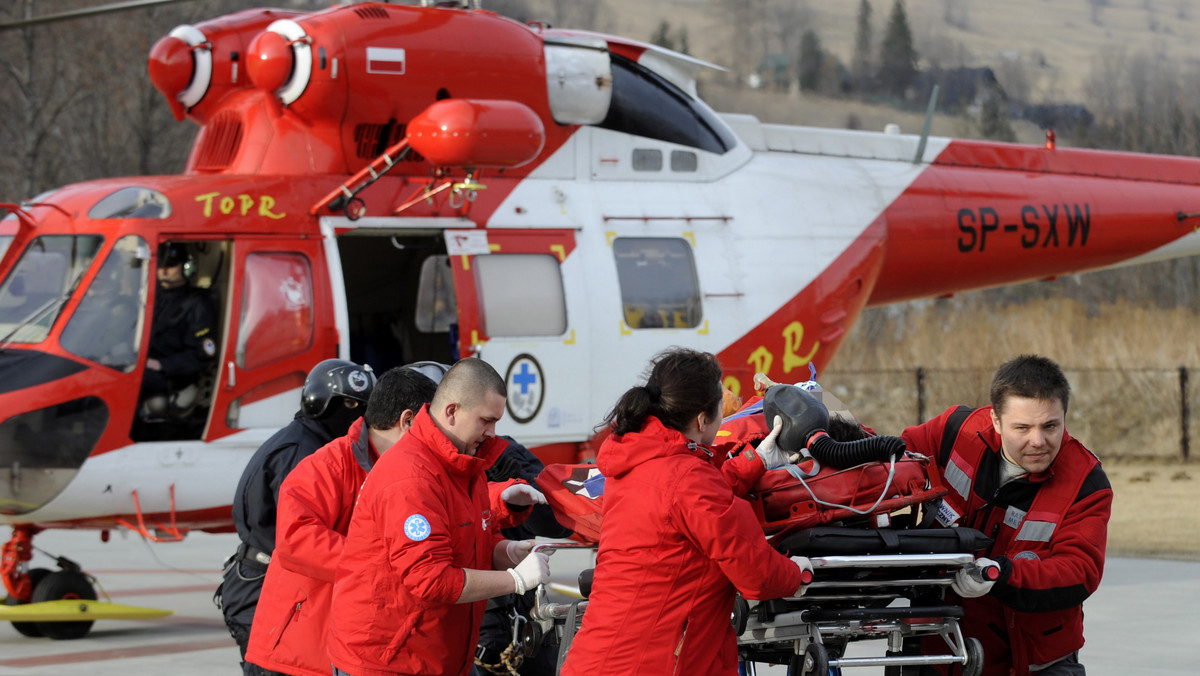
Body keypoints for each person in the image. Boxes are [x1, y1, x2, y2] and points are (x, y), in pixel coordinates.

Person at [559, 348, 813, 675]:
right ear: (702, 418)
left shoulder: (638, 463)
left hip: (600, 659)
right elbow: (756, 573)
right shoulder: (689, 481)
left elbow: (688, 502)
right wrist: (799, 573)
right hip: (653, 664)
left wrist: (756, 461)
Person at [327, 357, 553, 676]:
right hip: (388, 661)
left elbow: (464, 545)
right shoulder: (412, 476)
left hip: (435, 656)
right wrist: (514, 580)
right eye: (486, 420)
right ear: (451, 412)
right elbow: (430, 579)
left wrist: (505, 552)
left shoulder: (463, 465)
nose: (492, 433)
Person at [900, 354, 1112, 676]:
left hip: (1034, 661)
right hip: (940, 648)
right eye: (1022, 428)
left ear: (1064, 416)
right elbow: (894, 458)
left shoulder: (1086, 482)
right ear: (995, 420)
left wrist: (1000, 574)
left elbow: (1079, 571)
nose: (1038, 441)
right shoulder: (956, 430)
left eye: (1050, 426)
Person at [218, 359, 376, 676]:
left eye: (361, 407)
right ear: (321, 402)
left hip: (262, 579)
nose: (355, 414)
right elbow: (300, 536)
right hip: (267, 586)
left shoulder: (303, 440)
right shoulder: (306, 454)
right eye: (347, 404)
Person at [138, 242, 218, 419]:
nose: (164, 270)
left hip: (170, 377)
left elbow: (202, 355)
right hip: (142, 365)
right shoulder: (149, 297)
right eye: (161, 264)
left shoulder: (198, 304)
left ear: (187, 267)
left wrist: (162, 365)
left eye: (171, 265)